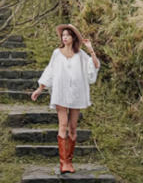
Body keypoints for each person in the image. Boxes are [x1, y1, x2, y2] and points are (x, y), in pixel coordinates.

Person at [31, 24, 101, 174]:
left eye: (68, 35)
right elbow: (49, 70)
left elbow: (94, 67)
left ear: (73, 38)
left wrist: (90, 49)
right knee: (63, 125)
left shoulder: (81, 54)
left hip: (77, 93)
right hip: (61, 93)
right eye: (63, 35)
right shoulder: (57, 53)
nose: (64, 37)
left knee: (73, 128)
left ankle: (70, 160)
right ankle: (64, 163)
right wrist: (40, 88)